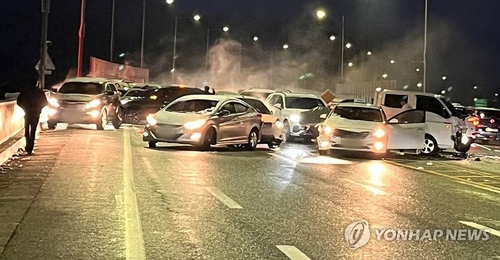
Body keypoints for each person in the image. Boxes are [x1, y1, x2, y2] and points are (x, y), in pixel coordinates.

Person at [16, 82, 48, 155]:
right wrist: (39, 109)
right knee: (33, 131)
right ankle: (30, 148)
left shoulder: (25, 91)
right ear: (36, 83)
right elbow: (45, 102)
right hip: (36, 114)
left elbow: (19, 101)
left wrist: (25, 108)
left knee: (27, 130)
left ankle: (28, 147)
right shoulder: (39, 92)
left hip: (27, 113)